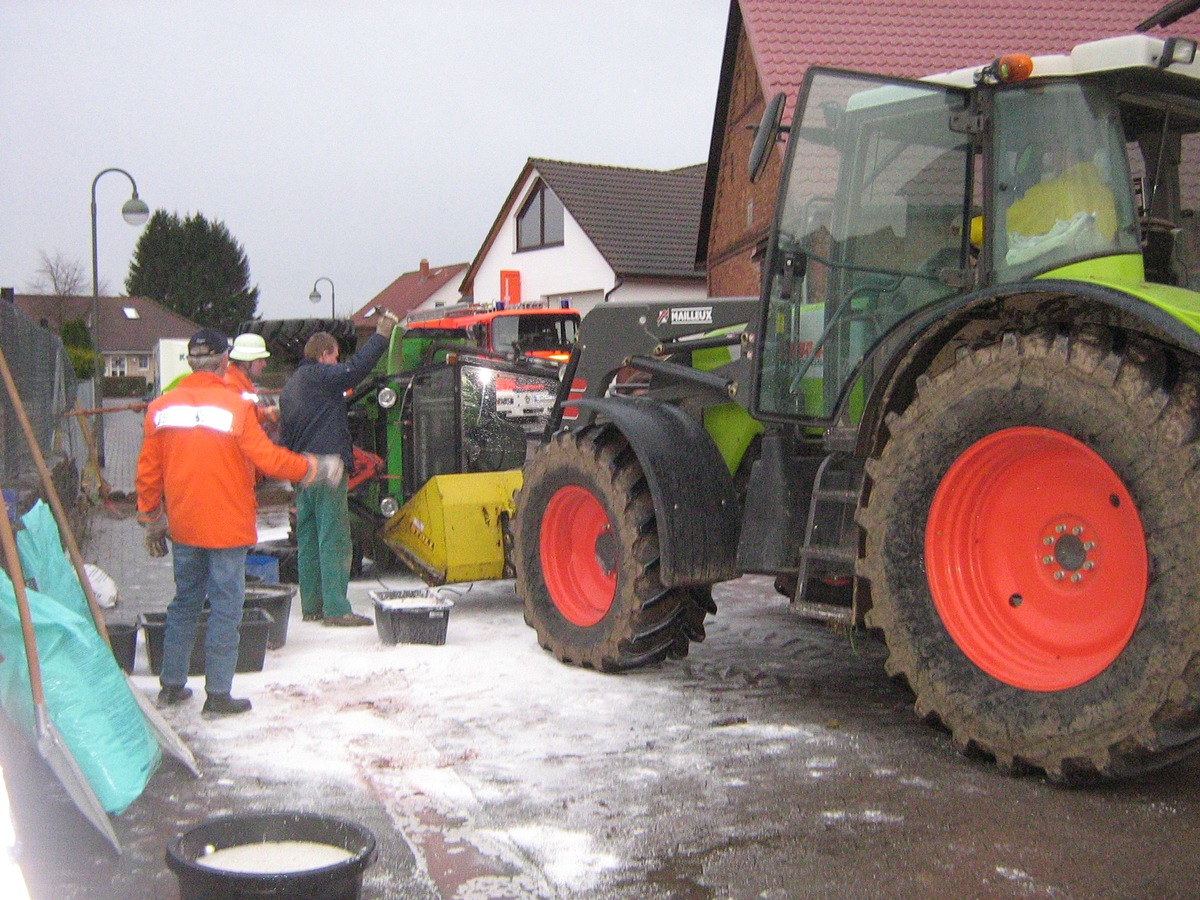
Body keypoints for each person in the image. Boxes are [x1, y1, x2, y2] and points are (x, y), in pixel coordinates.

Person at [137, 328, 344, 716]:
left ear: (190, 361)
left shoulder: (161, 408)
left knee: (184, 602)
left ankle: (171, 685)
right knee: (225, 607)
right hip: (226, 526)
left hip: (184, 525)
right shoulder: (234, 408)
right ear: (223, 361)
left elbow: (148, 470)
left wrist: (151, 518)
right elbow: (269, 459)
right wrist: (314, 468)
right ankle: (217, 694)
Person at [279, 311, 398, 626]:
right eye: (334, 356)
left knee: (308, 538)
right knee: (334, 538)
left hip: (302, 471)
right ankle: (336, 609)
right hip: (327, 468)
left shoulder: (290, 387)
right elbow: (355, 370)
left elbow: (285, 437)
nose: (336, 362)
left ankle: (312, 606)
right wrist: (382, 335)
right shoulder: (319, 375)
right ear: (323, 355)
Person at [225, 333, 278, 432]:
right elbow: (242, 420)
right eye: (260, 360)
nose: (264, 364)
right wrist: (268, 413)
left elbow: (250, 413)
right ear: (246, 362)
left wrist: (268, 413)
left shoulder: (242, 382)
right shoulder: (231, 385)